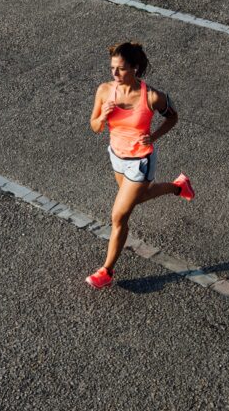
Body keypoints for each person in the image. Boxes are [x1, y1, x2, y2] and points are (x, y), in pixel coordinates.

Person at [85, 42, 194, 289]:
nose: (114, 74)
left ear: (135, 68)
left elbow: (173, 117)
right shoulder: (104, 91)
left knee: (119, 215)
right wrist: (102, 116)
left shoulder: (152, 96)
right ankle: (178, 187)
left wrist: (154, 137)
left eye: (121, 69)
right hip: (116, 156)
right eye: (112, 68)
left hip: (140, 162)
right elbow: (94, 126)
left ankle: (106, 271)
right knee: (137, 198)